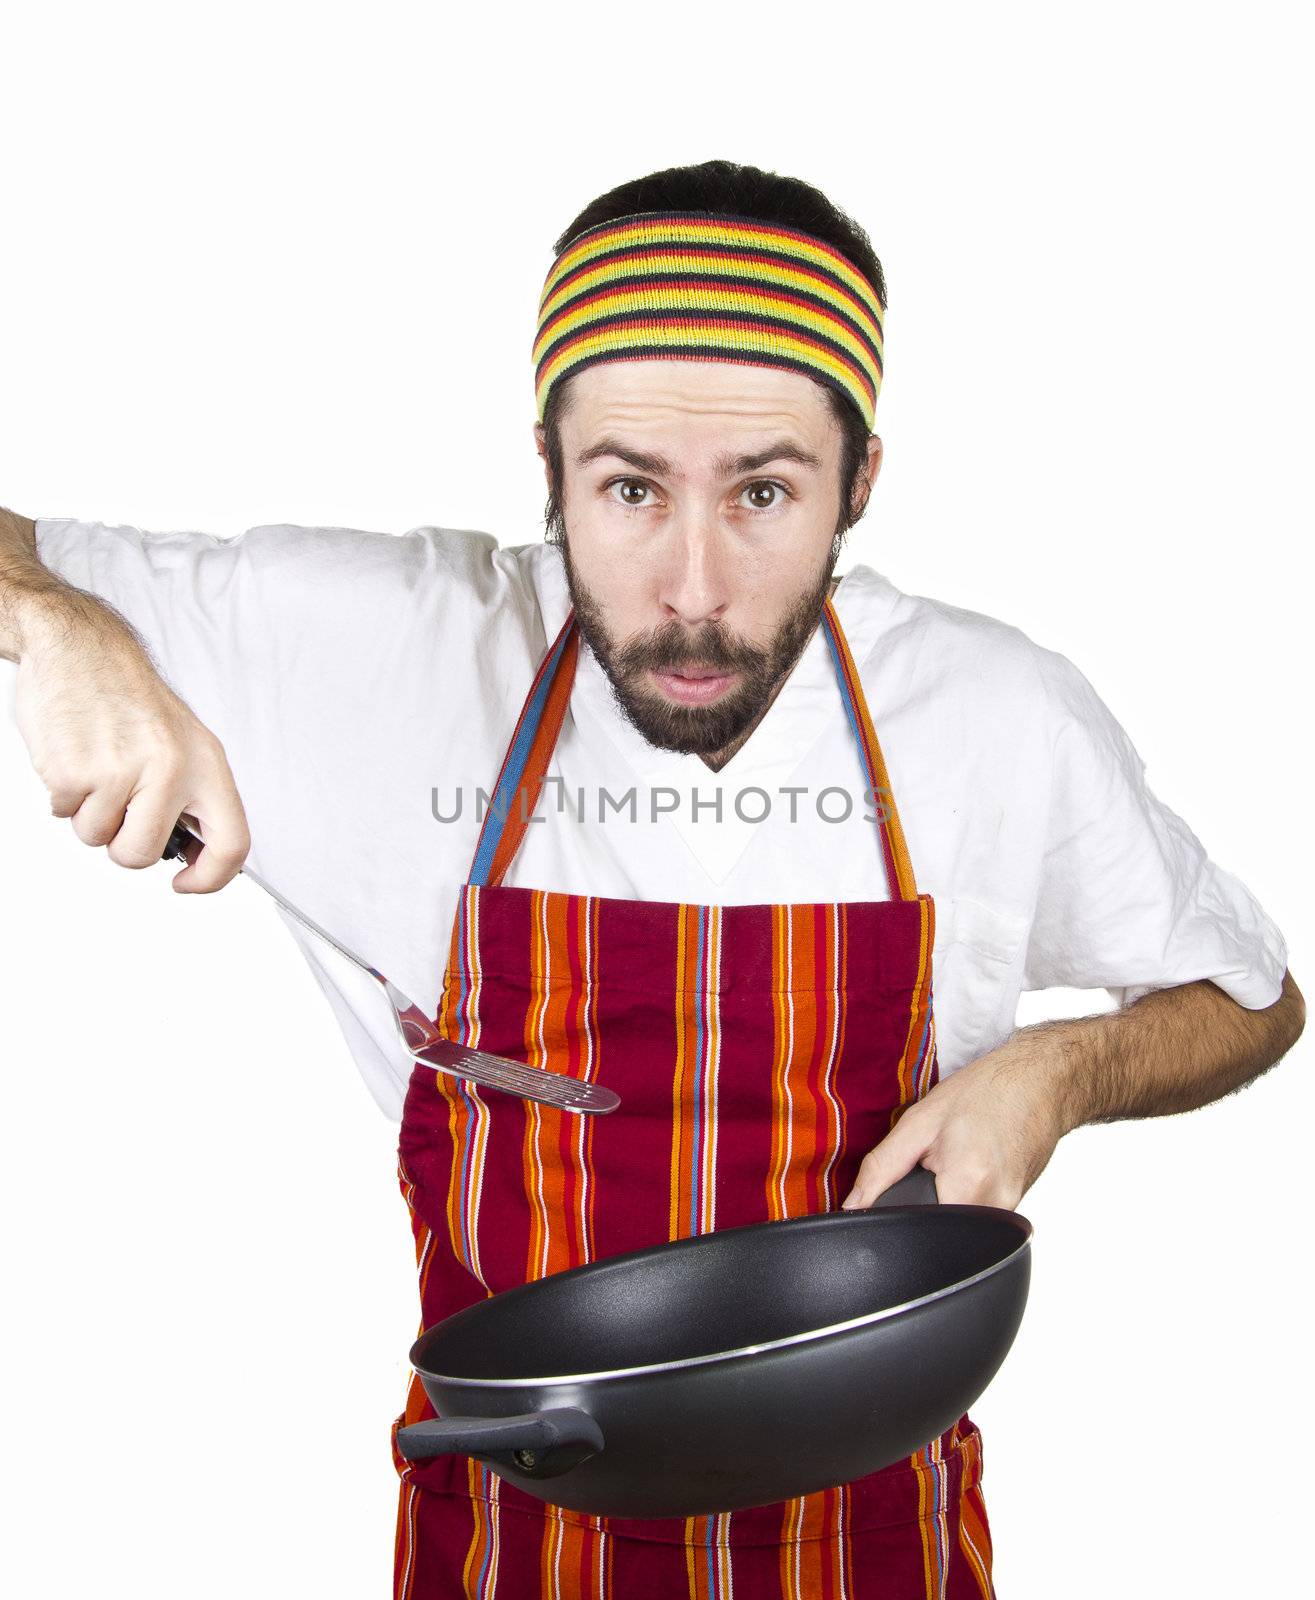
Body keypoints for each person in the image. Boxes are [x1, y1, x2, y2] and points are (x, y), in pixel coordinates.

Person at [0, 158, 1304, 1598]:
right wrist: (59, 624)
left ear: (861, 481)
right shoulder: (387, 645)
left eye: (763, 490)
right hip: (514, 1539)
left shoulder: (999, 718)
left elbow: (1250, 1000)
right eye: (628, 488)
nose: (692, 586)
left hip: (876, 1547)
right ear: (547, 467)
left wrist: (1058, 1071)